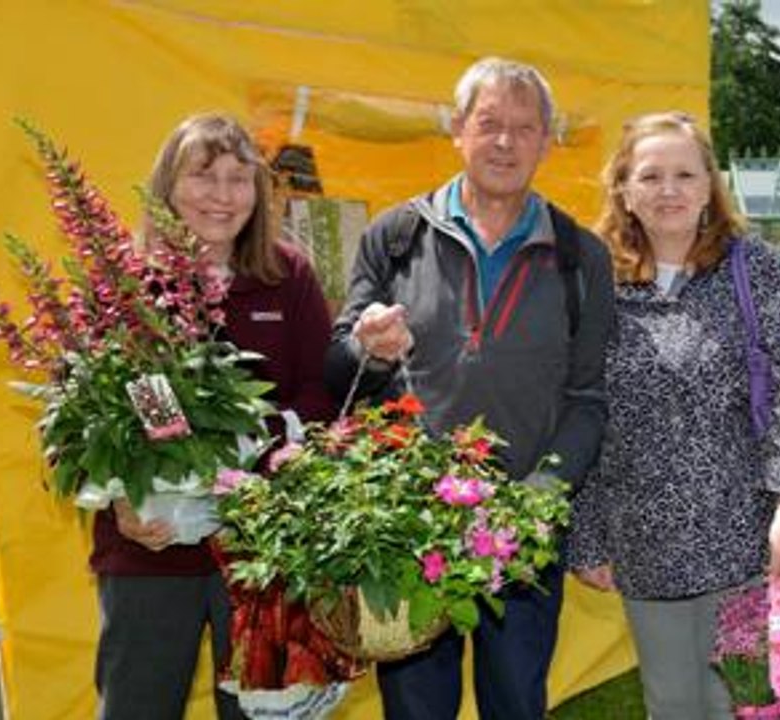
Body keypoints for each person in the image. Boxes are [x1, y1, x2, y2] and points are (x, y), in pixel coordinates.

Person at [323, 57, 614, 720]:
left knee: (515, 702)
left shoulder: (580, 255)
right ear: (458, 130)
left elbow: (589, 397)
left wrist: (542, 493)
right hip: (410, 529)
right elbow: (337, 372)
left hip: (525, 530)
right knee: (416, 708)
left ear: (546, 141)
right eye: (489, 123)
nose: (505, 142)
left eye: (525, 127)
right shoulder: (395, 236)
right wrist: (367, 349)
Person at [566, 112, 780, 720]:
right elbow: (580, 409)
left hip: (743, 531)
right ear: (623, 189)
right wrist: (585, 533)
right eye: (650, 175)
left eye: (685, 174)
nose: (669, 190)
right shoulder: (594, 283)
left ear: (710, 185)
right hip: (642, 538)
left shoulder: (755, 271)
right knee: (671, 703)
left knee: (737, 700)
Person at [87, 113, 337, 719]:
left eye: (238, 179)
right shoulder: (126, 284)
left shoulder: (287, 276)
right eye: (204, 176)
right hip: (150, 550)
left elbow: (321, 389)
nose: (223, 196)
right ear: (168, 185)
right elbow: (92, 410)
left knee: (261, 710)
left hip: (260, 549)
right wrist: (122, 499)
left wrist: (261, 445)